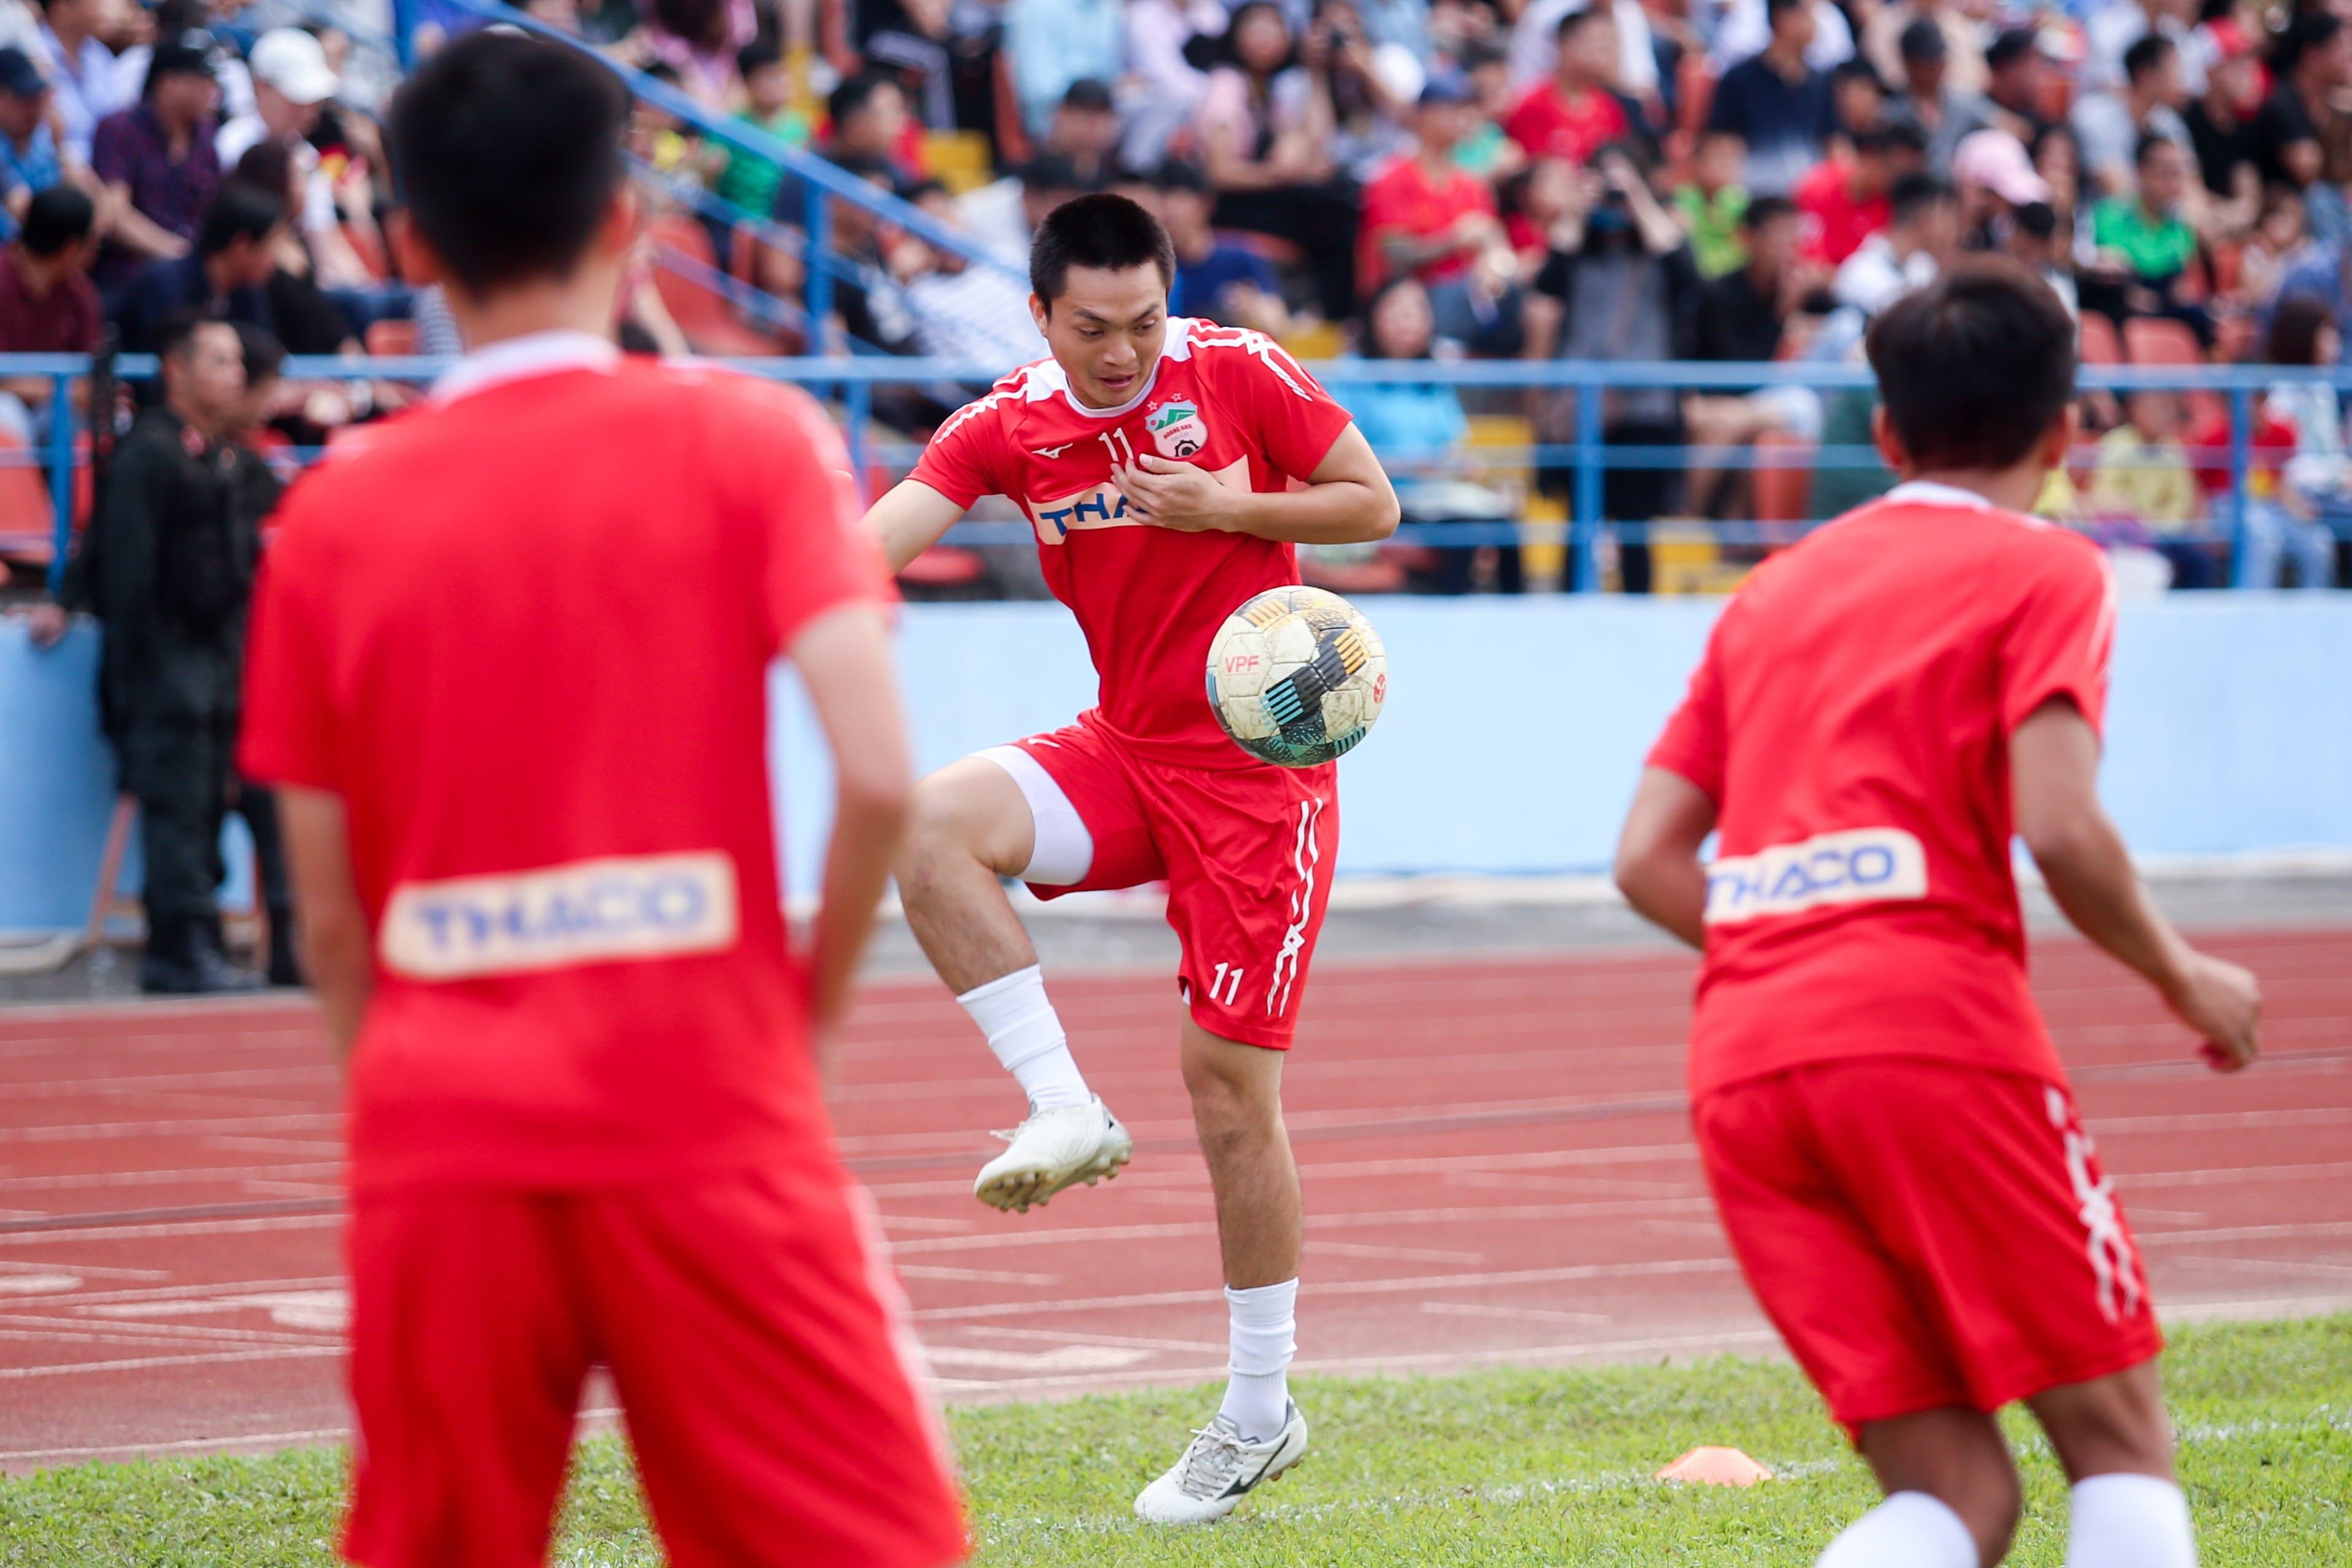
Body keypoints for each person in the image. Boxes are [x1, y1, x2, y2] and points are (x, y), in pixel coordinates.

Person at [237, 33, 964, 1566]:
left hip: (443, 1132)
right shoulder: (748, 445)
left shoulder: (329, 512)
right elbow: (883, 770)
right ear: (627, 219)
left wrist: (411, 1098)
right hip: (701, 1100)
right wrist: (798, 1023)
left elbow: (321, 907)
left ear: (411, 242)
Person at [1614, 256, 2261, 1568]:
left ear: (1889, 434)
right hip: (1929, 1040)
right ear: (2067, 428)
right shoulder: (2048, 570)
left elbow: (1645, 860)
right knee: (2120, 1447)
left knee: (1954, 1496)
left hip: (1743, 1068)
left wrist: (1789, 928)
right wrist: (2185, 977)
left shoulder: (1775, 588)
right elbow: (2062, 825)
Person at [860, 191, 1399, 1524]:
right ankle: (1060, 1106)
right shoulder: (1004, 423)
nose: (1124, 351)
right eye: (1093, 328)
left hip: (1256, 775)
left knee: (1225, 1094)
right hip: (1123, 748)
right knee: (925, 823)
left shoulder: (1233, 370)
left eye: (1143, 321)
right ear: (1040, 315)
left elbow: (1370, 504)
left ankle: (1259, 1413)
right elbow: (875, 541)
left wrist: (1230, 503)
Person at [60, 314, 261, 992]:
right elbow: (126, 572)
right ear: (176, 370)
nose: (236, 375)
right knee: (176, 810)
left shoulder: (219, 455)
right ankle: (177, 946)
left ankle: (199, 936)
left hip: (212, 664)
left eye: (238, 363)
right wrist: (147, 672)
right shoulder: (150, 456)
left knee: (205, 807)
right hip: (165, 669)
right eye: (220, 361)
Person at [1523, 139, 1698, 590]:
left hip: (1646, 408)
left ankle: (1640, 612)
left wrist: (1636, 196)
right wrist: (1579, 211)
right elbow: (1546, 283)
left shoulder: (1659, 243)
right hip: (1580, 404)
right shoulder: (1578, 247)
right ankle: (1568, 612)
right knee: (1577, 524)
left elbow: (1688, 276)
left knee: (1636, 528)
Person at [1192, 1, 1357, 321]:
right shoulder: (1227, 85)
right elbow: (1221, 173)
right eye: (1258, 28)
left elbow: (1317, 138)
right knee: (1332, 216)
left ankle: (1325, 317)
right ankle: (1334, 316)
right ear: (1236, 35)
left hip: (1267, 196)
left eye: (1275, 28)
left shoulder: (1275, 89)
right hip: (1232, 202)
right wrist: (1283, 175)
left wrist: (1316, 72)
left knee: (1337, 200)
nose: (1268, 37)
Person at [1686, 195, 1823, 517]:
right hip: (1715, 399)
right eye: (1778, 235)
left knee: (1748, 430)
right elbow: (1741, 369)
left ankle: (1739, 537)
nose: (1788, 247)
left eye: (1793, 236)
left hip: (1765, 404)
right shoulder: (1719, 295)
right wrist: (1782, 317)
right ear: (1750, 238)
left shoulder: (1803, 292)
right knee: (1724, 427)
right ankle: (1685, 526)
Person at [90, 32, 225, 288]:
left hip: (192, 270)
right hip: (132, 272)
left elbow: (215, 204)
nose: (213, 92)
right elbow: (115, 214)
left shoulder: (205, 134)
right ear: (168, 84)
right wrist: (178, 253)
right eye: (203, 82)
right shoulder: (119, 129)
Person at [1360, 73, 1501, 293]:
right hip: (1406, 300)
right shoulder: (1391, 179)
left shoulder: (1473, 185)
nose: (1464, 116)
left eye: (1466, 108)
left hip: (1466, 297)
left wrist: (1494, 266)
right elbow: (1395, 257)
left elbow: (1493, 244)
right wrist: (1454, 241)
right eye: (1453, 108)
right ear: (1424, 115)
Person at [113, 182, 283, 354]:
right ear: (242, 245)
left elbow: (265, 357)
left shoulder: (248, 291)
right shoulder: (164, 286)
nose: (275, 261)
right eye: (271, 246)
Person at [1707, 0, 1839, 197]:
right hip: (1755, 198)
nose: (1815, 25)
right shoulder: (1740, 79)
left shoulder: (1821, 83)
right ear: (1784, 19)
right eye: (1809, 16)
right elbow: (1722, 143)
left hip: (1811, 197)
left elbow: (1834, 143)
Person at [0, 184, 98, 441]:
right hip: (9, 408)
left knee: (87, 419)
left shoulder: (81, 294)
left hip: (50, 408)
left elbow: (89, 378)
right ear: (71, 249)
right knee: (7, 416)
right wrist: (63, 389)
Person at [1157, 156, 1289, 336]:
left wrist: (1252, 308)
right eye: (1162, 202)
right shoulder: (1156, 267)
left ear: (1205, 204)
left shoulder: (1239, 258)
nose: (1169, 211)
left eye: (1180, 199)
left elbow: (1277, 321)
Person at [1503, 6, 1645, 168]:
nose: (1607, 53)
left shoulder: (1611, 109)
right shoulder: (1533, 106)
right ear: (1566, 45)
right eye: (1599, 43)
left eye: (1612, 44)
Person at [2071, 33, 2192, 199]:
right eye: (2174, 69)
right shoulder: (2095, 119)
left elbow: (2191, 189)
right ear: (2145, 75)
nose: (2181, 80)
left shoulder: (2171, 125)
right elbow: (2119, 191)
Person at [1793, 123, 1924, 266]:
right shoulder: (1816, 188)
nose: (1899, 182)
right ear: (1871, 158)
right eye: (1897, 172)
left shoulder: (1889, 209)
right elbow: (1802, 258)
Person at [1832, 170, 1955, 315]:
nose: (1954, 227)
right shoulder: (1861, 271)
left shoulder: (1923, 265)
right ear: (1925, 219)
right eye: (1948, 216)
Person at [1886, 17, 1994, 173]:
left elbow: (2005, 124)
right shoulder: (1891, 113)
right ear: (1908, 63)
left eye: (1940, 61)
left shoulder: (1963, 104)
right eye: (1928, 64)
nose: (1937, 69)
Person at [0, 44, 65, 242]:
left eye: (37, 99)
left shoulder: (40, 145)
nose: (33, 109)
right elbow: (22, 209)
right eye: (22, 100)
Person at [1673, 129, 1751, 278]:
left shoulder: (1743, 205)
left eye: (1735, 159)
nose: (1729, 165)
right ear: (1696, 163)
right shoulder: (1682, 202)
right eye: (1721, 158)